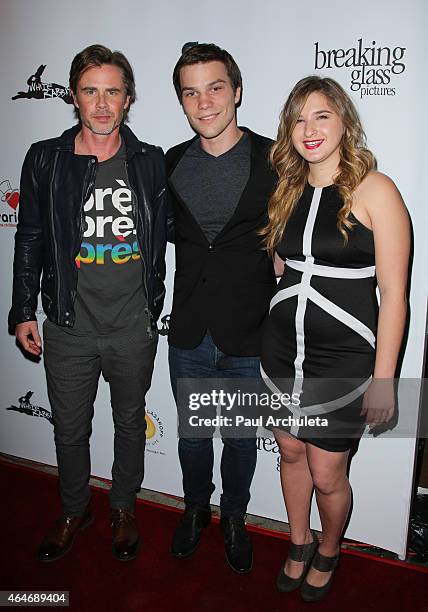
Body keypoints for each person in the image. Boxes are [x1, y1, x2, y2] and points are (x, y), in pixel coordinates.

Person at [9, 44, 167, 562]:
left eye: (113, 92)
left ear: (128, 99)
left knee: (128, 423)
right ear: (74, 97)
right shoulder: (46, 158)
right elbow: (29, 235)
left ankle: (122, 506)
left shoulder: (149, 162)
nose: (101, 104)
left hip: (131, 325)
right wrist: (22, 309)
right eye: (90, 91)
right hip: (69, 324)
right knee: (71, 428)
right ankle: (74, 509)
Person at [260, 76, 410, 601]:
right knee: (290, 453)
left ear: (344, 121)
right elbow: (284, 265)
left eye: (321, 115)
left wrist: (385, 380)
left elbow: (394, 294)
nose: (309, 129)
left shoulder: (376, 190)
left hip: (343, 355)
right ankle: (297, 543)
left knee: (327, 472)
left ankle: (329, 546)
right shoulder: (286, 188)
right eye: (298, 119)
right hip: (280, 348)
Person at [166, 43, 277, 573]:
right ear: (182, 102)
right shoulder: (168, 164)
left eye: (215, 87)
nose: (204, 101)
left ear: (236, 91)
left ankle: (233, 517)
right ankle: (194, 511)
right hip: (187, 330)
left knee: (239, 440)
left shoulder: (275, 159)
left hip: (247, 333)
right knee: (191, 439)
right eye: (191, 92)